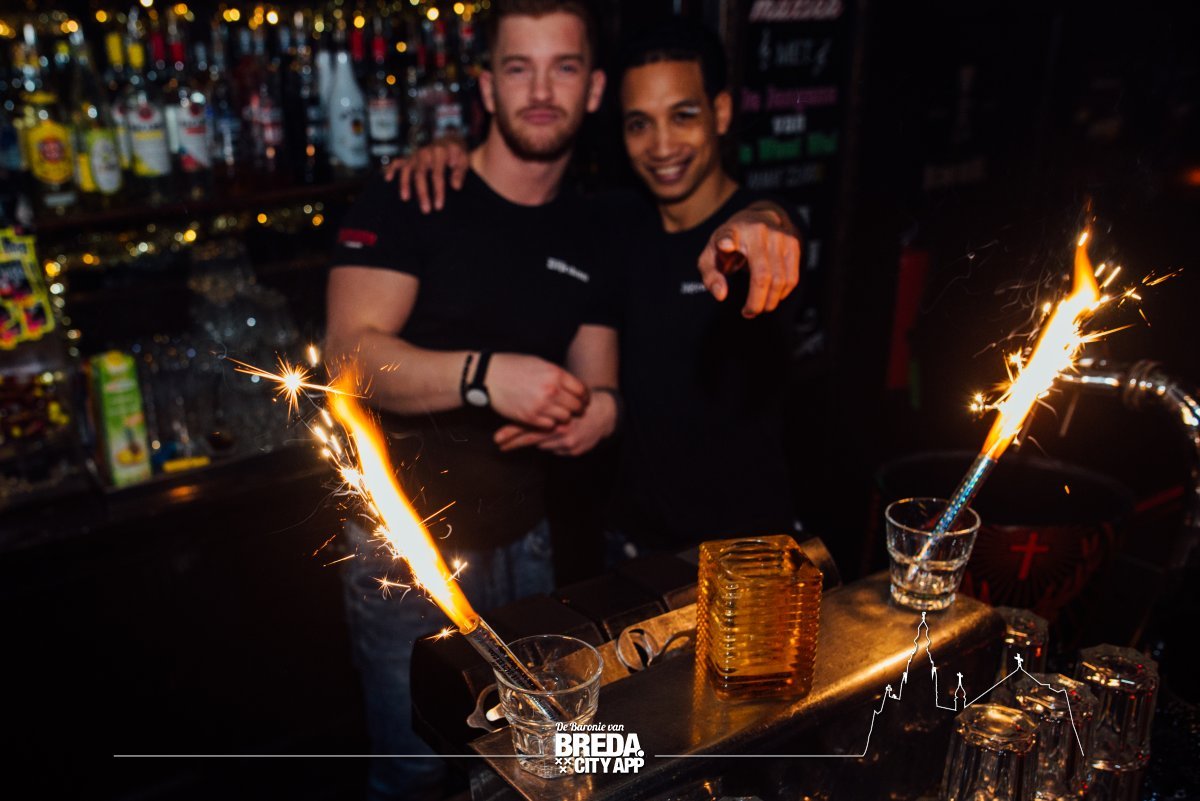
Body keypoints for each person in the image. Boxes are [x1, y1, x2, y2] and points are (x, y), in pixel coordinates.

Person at [326, 4, 798, 799]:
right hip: (406, 551)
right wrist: (485, 374)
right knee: (417, 769)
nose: (541, 91)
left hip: (541, 544)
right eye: (519, 68)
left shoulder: (594, 224)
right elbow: (346, 359)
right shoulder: (413, 194)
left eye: (564, 67)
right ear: (486, 87)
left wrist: (601, 410)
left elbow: (602, 378)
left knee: (540, 766)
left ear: (592, 90)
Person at [390, 18, 803, 555]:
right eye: (639, 124)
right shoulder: (612, 223)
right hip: (632, 547)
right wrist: (447, 148)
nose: (661, 145)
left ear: (720, 113)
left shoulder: (754, 236)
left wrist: (765, 225)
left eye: (683, 116)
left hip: (749, 550)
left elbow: (774, 223)